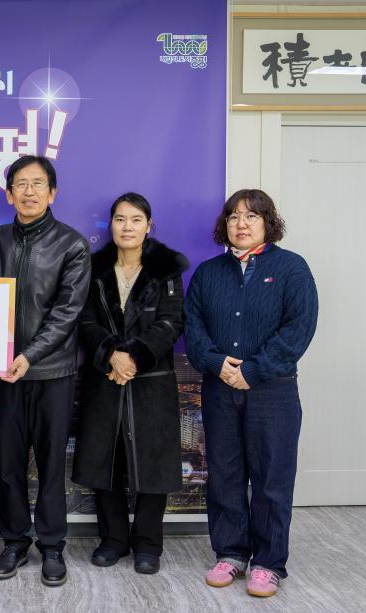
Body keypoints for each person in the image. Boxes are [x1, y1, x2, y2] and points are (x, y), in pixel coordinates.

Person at [185, 188, 317, 598]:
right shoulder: (208, 273)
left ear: (267, 222)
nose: (241, 224)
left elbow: (299, 329)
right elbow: (193, 329)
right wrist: (217, 364)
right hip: (219, 388)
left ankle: (268, 563)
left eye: (251, 216)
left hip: (273, 392)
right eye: (234, 216)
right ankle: (230, 553)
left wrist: (253, 371)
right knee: (224, 474)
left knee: (272, 477)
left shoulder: (292, 268)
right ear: (224, 224)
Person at [0, 155, 91, 587]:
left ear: (52, 193)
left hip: (52, 373)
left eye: (37, 183)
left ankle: (52, 545)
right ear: (9, 194)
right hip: (5, 376)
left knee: (49, 463)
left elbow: (67, 313)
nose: (29, 192)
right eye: (20, 185)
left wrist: (28, 355)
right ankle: (13, 541)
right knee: (9, 464)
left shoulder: (72, 244)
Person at [72, 193, 188, 575]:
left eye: (136, 219)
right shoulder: (94, 269)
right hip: (105, 378)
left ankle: (148, 544)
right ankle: (114, 540)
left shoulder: (165, 270)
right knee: (106, 461)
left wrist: (133, 357)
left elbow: (171, 322)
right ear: (111, 225)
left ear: (148, 225)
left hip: (150, 380)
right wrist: (112, 355)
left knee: (152, 463)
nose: (127, 227)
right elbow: (85, 321)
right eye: (120, 219)